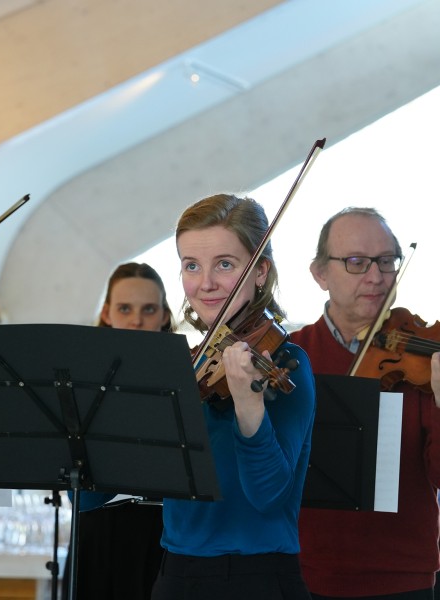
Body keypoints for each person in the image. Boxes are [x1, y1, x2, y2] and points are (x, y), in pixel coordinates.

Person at [138, 193, 315, 599]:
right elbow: (104, 491)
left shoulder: (287, 363)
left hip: (258, 579)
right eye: (191, 266)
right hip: (175, 576)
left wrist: (249, 406)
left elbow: (268, 497)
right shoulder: (180, 367)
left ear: (259, 271)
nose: (206, 283)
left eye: (225, 264)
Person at [289, 206, 440, 600]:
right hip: (301, 572)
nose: (376, 277)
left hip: (401, 576)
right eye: (356, 262)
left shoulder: (425, 363)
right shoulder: (290, 356)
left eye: (387, 261)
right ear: (320, 273)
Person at [64, 262, 173, 600]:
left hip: (165, 538)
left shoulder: (186, 379)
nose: (136, 321)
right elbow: (81, 498)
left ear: (165, 316)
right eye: (125, 309)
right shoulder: (81, 380)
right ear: (107, 313)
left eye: (148, 309)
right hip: (99, 536)